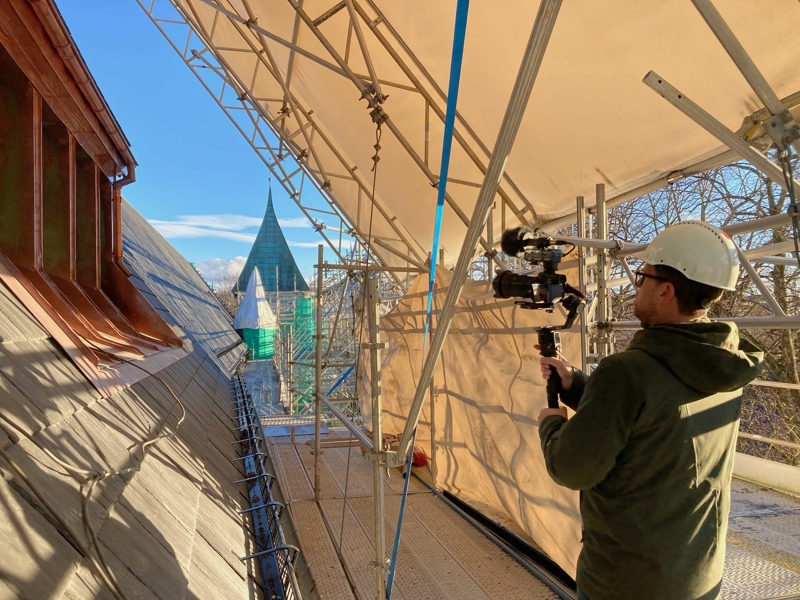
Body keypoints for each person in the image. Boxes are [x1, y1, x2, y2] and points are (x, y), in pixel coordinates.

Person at [536, 221, 764, 600]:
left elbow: (573, 467)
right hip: (696, 572)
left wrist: (552, 426)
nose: (636, 286)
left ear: (666, 291)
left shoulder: (627, 372)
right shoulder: (722, 362)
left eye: (643, 277)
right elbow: (655, 420)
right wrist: (576, 384)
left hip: (627, 580)